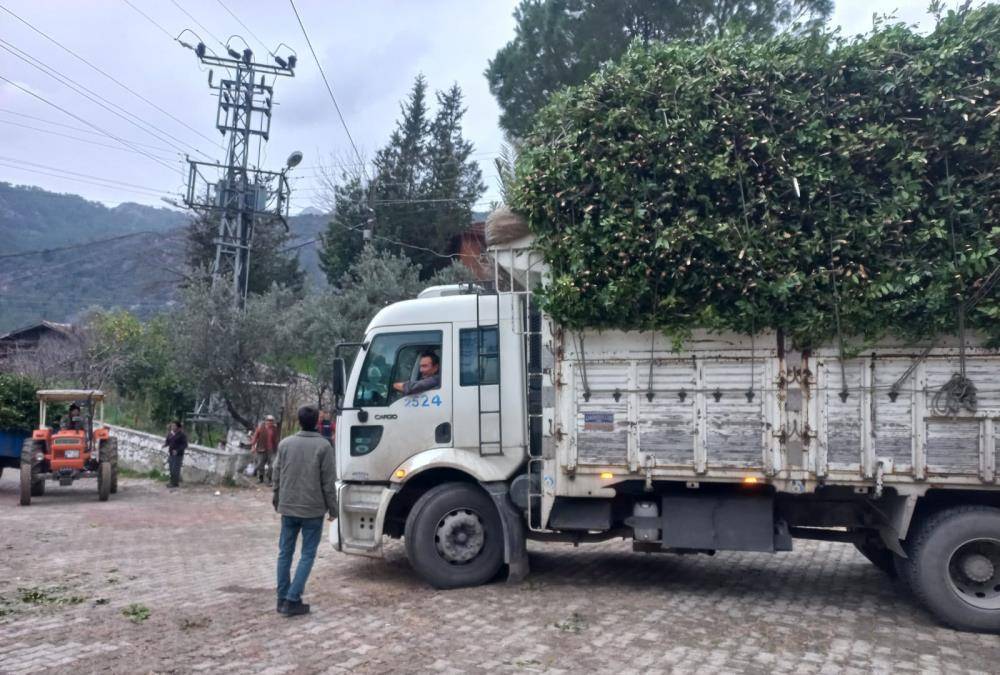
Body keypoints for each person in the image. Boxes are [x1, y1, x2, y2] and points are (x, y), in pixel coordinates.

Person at [272, 405, 337, 617]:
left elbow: (276, 475)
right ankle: (292, 600)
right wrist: (333, 509)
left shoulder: (285, 444)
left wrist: (277, 499)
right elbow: (328, 482)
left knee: (285, 553)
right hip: (313, 510)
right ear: (317, 421)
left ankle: (282, 598)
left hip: (288, 507)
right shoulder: (324, 446)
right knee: (307, 555)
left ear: (299, 421)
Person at [251, 414, 280, 485]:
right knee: (260, 464)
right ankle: (260, 478)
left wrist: (278, 447)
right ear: (266, 421)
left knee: (272, 465)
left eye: (271, 421)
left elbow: (277, 439)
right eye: (269, 420)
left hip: (272, 450)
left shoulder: (275, 429)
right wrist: (253, 446)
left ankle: (269, 479)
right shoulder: (260, 427)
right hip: (261, 449)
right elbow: (255, 437)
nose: (270, 422)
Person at [163, 420, 188, 489]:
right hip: (171, 453)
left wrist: (177, 450)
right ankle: (172, 482)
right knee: (171, 468)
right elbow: (168, 441)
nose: (172, 427)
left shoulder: (182, 435)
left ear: (178, 427)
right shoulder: (170, 433)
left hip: (178, 455)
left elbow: (185, 445)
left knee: (175, 469)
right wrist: (165, 445)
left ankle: (175, 483)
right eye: (172, 425)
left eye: (174, 426)